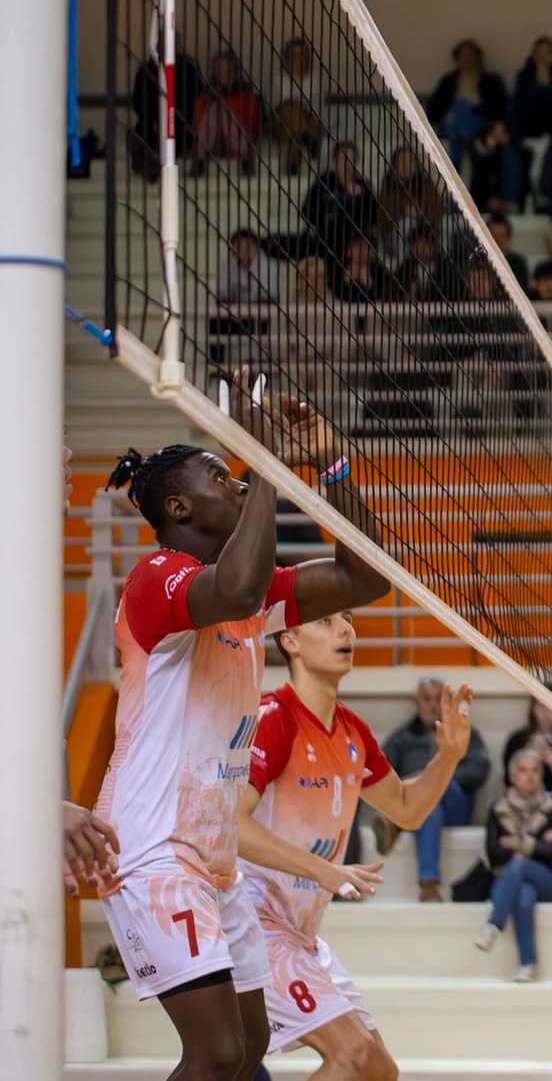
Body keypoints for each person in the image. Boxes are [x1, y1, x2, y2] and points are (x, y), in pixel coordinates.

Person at [92, 394, 389, 1081]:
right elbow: (236, 587)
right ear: (179, 510)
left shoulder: (250, 592)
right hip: (152, 846)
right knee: (217, 1052)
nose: (235, 481)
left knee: (248, 1053)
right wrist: (265, 466)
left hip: (214, 854)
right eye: (218, 476)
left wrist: (331, 466)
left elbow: (362, 577)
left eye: (235, 473)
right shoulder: (155, 579)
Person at [236, 613, 475, 1076]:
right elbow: (232, 824)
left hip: (301, 932)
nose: (346, 630)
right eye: (325, 622)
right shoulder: (273, 718)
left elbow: (407, 808)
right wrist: (323, 869)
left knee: (380, 1070)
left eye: (348, 620)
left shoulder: (352, 730)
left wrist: (447, 757)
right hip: (253, 922)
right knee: (353, 1056)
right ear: (291, 641)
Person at [377, 678, 491, 901]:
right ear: (416, 702)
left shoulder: (464, 732)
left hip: (456, 808)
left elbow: (479, 770)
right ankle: (428, 885)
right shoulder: (402, 739)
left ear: (446, 702)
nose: (431, 705)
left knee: (440, 782)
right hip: (419, 812)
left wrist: (428, 776)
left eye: (437, 699)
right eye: (426, 699)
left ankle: (393, 824)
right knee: (430, 808)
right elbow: (381, 777)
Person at [473, 749, 552, 982]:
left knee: (519, 866)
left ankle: (494, 925)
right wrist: (536, 845)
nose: (530, 776)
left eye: (535, 770)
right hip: (511, 881)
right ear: (512, 776)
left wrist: (515, 843)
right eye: (523, 770)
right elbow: (494, 852)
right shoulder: (498, 809)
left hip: (549, 882)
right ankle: (527, 965)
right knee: (524, 893)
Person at [425, 39, 507, 173]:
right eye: (464, 55)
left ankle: (456, 153)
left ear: (478, 58)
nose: (467, 58)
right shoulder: (449, 81)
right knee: (456, 110)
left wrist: (472, 108)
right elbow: (433, 108)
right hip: (451, 123)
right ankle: (463, 140)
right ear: (457, 59)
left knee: (461, 108)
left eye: (470, 54)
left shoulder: (491, 81)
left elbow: (498, 107)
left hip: (479, 121)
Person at [302, 142, 378, 261]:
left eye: (352, 159)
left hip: (354, 241)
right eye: (344, 159)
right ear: (335, 162)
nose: (348, 163)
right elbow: (308, 211)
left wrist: (358, 198)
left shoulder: (363, 185)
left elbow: (372, 217)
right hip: (327, 239)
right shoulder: (323, 182)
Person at [268, 36, 328, 177]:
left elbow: (318, 109)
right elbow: (273, 107)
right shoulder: (279, 79)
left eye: (301, 56)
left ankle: (292, 170)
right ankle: (305, 136)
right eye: (294, 55)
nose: (297, 60)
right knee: (289, 109)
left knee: (293, 135)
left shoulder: (313, 81)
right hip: (282, 123)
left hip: (307, 119)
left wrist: (302, 107)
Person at [194, 49, 261, 169]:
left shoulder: (246, 93)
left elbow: (252, 124)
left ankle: (200, 160)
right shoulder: (207, 94)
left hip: (239, 142)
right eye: (221, 69)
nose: (224, 73)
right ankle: (199, 159)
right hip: (213, 143)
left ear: (235, 71)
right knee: (216, 109)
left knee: (223, 110)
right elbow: (197, 122)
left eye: (228, 69)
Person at [502, 694, 552, 796]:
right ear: (533, 709)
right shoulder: (517, 740)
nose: (546, 713)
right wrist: (525, 756)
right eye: (541, 707)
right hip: (524, 800)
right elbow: (508, 780)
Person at [510, 37, 552, 142]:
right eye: (539, 53)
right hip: (529, 126)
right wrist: (537, 88)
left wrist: (549, 86)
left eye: (548, 53)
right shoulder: (524, 75)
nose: (543, 57)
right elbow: (520, 106)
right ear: (533, 56)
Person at [486, 214, 531, 297]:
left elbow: (522, 292)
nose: (497, 240)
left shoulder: (518, 263)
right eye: (493, 236)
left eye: (502, 236)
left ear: (509, 237)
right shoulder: (476, 261)